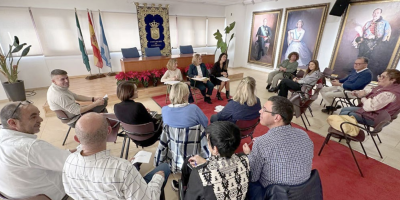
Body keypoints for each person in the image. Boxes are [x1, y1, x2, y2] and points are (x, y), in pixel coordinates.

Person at [62, 113, 171, 200]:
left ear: (77, 139)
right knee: (164, 168)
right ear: (109, 131)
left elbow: (69, 190)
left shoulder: (69, 161)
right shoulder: (122, 168)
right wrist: (158, 178)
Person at [242, 96, 313, 199]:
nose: (260, 111)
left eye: (264, 109)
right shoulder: (304, 135)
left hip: (276, 194)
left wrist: (249, 155)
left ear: (277, 118)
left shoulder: (262, 143)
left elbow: (253, 177)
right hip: (303, 191)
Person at [0, 102, 73, 199]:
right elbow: (73, 164)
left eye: (38, 114)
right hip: (58, 195)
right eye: (33, 117)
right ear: (13, 123)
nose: (41, 119)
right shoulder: (30, 147)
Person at [181, 121, 250, 200]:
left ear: (215, 149)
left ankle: (183, 187)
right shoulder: (245, 159)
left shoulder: (200, 174)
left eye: (208, 141)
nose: (207, 143)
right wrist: (206, 163)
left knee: (188, 162)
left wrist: (204, 166)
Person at [155, 82, 209, 175]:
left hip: (174, 152)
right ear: (186, 94)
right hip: (194, 153)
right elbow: (205, 123)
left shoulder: (164, 110)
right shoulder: (194, 108)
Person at [114, 81, 162, 147]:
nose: (138, 91)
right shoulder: (138, 106)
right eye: (136, 90)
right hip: (148, 138)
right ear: (129, 92)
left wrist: (144, 112)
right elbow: (152, 122)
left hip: (133, 137)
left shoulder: (116, 106)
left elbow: (131, 117)